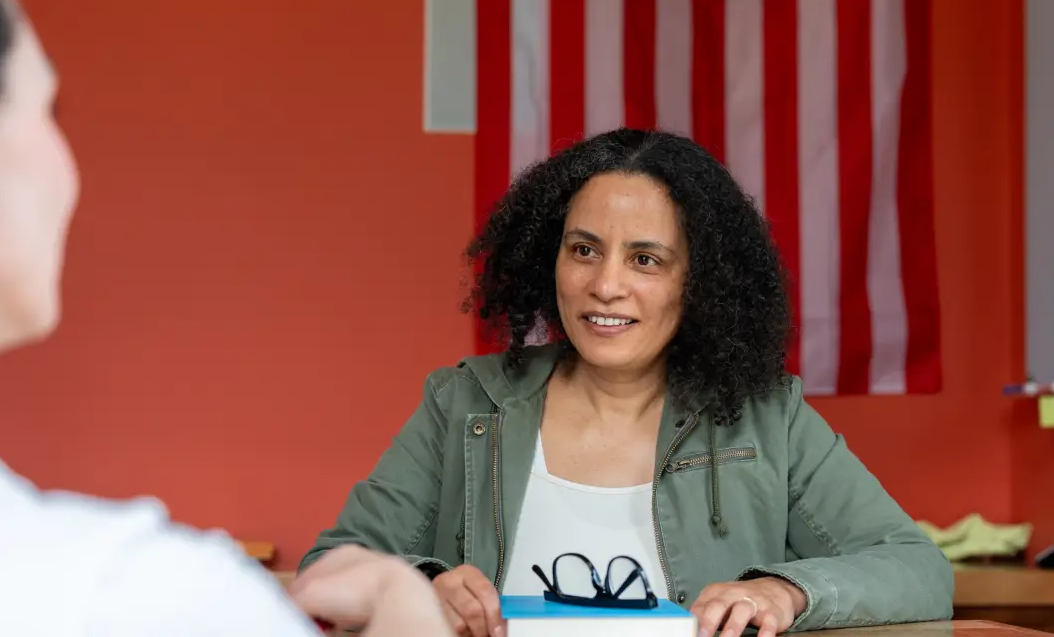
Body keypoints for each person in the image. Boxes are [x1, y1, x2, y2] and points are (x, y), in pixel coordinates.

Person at [299, 128, 955, 637]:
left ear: (698, 283)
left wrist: (783, 592)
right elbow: (330, 568)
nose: (605, 285)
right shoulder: (465, 401)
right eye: (584, 250)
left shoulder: (768, 417)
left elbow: (917, 569)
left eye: (645, 259)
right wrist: (420, 586)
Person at [0, 0, 449, 636]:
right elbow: (346, 554)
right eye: (48, 107)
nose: (67, 166)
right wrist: (403, 600)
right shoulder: (142, 596)